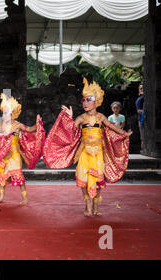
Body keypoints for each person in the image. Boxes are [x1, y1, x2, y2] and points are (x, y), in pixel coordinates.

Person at [43, 78, 132, 217]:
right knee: (83, 179)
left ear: (96, 102)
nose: (85, 103)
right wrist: (70, 117)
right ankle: (87, 204)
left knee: (97, 180)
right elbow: (71, 130)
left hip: (98, 153)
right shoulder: (81, 118)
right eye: (83, 100)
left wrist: (125, 134)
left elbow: (112, 128)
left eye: (88, 99)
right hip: (84, 153)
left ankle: (96, 205)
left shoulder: (101, 117)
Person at [0, 94, 45, 204]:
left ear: (13, 114)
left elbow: (30, 129)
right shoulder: (0, 125)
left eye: (7, 113)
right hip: (3, 155)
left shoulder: (18, 125)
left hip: (14, 154)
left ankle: (25, 197)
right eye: (3, 113)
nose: (4, 115)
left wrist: (38, 123)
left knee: (18, 176)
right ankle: (1, 196)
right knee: (0, 177)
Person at [135, 84, 145, 150]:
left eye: (143, 88)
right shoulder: (140, 99)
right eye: (141, 88)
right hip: (142, 120)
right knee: (143, 138)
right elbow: (138, 110)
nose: (142, 90)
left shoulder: (146, 99)